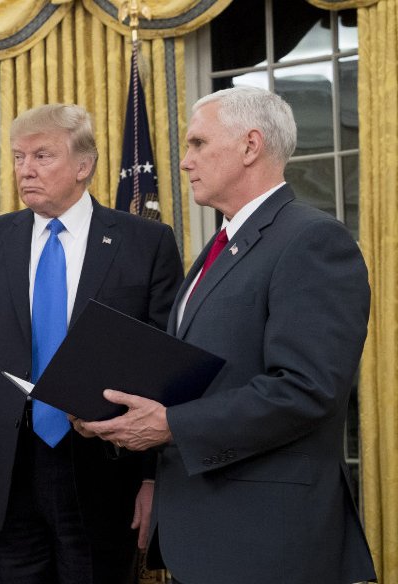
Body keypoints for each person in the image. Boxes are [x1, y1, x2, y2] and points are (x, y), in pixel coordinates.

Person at [81, 87, 377, 584]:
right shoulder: (221, 245)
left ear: (250, 146)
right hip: (204, 533)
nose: (183, 161)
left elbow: (307, 390)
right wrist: (111, 409)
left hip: (269, 541)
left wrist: (173, 424)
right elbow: (199, 375)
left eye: (197, 143)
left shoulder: (312, 240)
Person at [0, 103, 184, 584]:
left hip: (106, 466)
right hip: (2, 469)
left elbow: (162, 364)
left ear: (83, 166)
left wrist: (154, 476)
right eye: (19, 157)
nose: (26, 169)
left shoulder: (145, 242)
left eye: (42, 156)